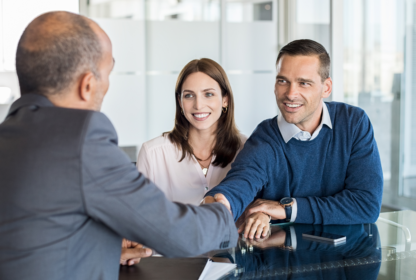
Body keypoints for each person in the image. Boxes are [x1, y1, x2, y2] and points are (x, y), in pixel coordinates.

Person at [0, 11, 237, 280]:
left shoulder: (9, 137)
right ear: (87, 85)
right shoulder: (80, 139)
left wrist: (107, 246)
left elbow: (42, 236)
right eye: (107, 73)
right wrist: (223, 212)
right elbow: (179, 234)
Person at [203, 39, 383, 238]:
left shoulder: (353, 123)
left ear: (326, 87)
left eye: (303, 83)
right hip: (286, 261)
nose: (290, 93)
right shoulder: (265, 138)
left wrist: (288, 209)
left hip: (345, 259)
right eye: (283, 81)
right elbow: (242, 181)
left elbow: (366, 205)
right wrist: (221, 203)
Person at [136, 58, 246, 206]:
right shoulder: (152, 153)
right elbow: (139, 218)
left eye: (208, 94)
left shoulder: (246, 149)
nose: (198, 105)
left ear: (225, 99)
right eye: (189, 95)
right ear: (180, 102)